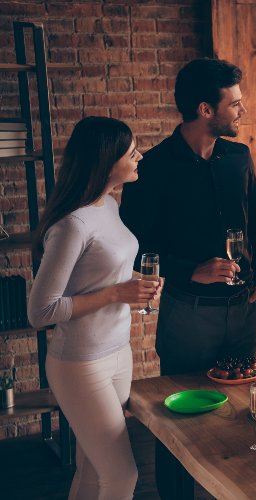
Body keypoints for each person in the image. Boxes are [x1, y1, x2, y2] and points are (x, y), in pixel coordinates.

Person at [120, 58, 256, 499]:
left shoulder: (239, 157)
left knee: (242, 413)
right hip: (188, 314)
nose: (242, 111)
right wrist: (191, 271)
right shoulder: (153, 167)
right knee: (179, 422)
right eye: (235, 104)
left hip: (244, 310)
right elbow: (134, 244)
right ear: (206, 109)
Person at [28, 117, 159, 499]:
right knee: (121, 476)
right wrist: (118, 294)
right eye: (130, 150)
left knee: (92, 471)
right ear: (106, 160)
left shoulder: (110, 205)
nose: (139, 155)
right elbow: (41, 311)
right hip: (80, 365)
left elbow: (105, 272)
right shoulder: (72, 225)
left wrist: (138, 282)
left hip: (118, 355)